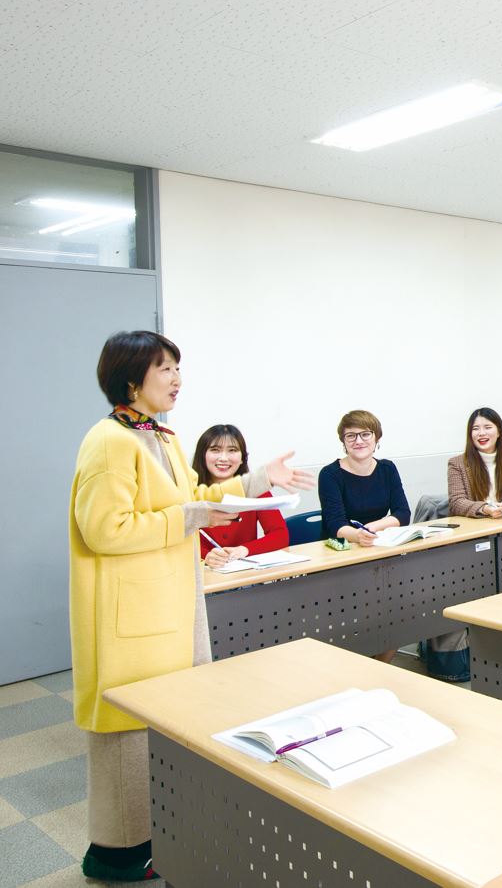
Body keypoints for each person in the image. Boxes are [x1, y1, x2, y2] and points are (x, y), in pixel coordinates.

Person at [70, 331, 312, 882]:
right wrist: (189, 521)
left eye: (179, 368)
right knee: (128, 730)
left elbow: (193, 499)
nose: (177, 379)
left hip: (169, 601)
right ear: (131, 379)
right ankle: (119, 852)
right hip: (127, 611)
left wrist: (256, 480)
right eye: (164, 369)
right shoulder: (109, 441)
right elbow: (104, 529)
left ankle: (157, 835)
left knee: (164, 720)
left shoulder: (161, 436)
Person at [318, 409, 411, 663]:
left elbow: (403, 513)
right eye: (351, 436)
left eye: (365, 434)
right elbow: (335, 523)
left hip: (376, 547)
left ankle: (380, 665)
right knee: (356, 616)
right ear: (343, 442)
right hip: (340, 552)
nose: (358, 441)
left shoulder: (387, 469)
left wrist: (374, 528)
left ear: (376, 438)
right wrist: (357, 535)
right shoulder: (330, 474)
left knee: (398, 610)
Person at [191, 424, 289, 568]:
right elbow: (176, 541)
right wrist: (205, 556)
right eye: (215, 450)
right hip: (203, 575)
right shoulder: (190, 492)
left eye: (232, 450)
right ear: (202, 455)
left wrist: (245, 550)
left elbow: (280, 535)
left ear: (243, 457)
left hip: (245, 575)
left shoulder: (256, 490)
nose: (224, 458)